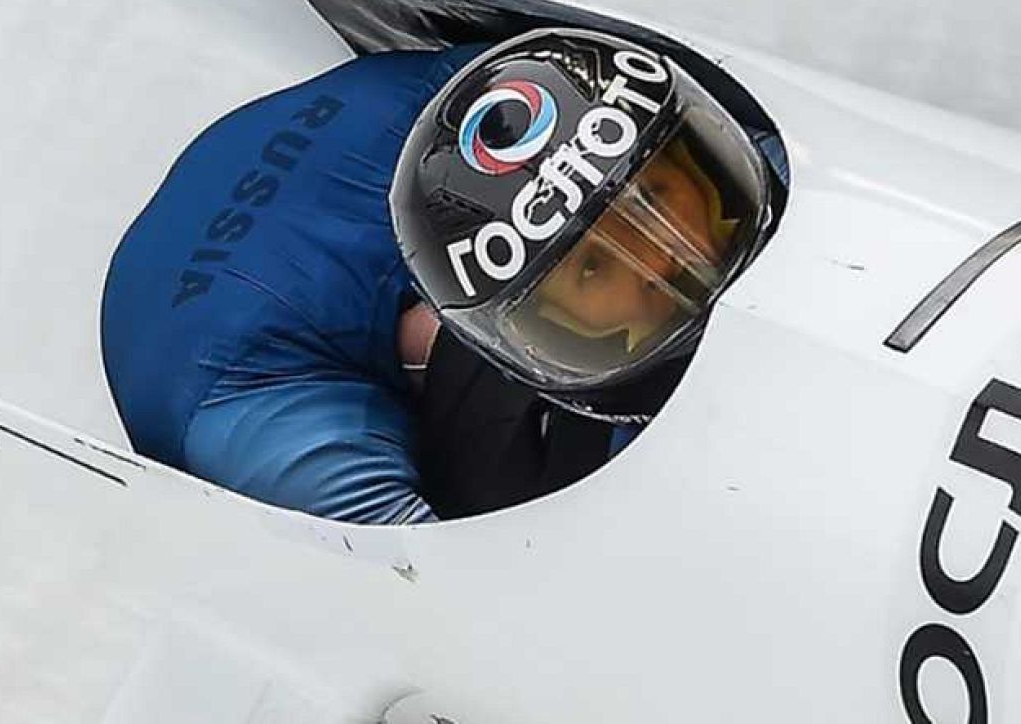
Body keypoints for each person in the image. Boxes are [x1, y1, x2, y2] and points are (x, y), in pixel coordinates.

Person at [101, 28, 786, 524]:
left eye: (663, 196)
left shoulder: (519, 84)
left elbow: (751, 137)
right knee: (507, 499)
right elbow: (426, 586)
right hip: (218, 371)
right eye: (596, 268)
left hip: (365, 136)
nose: (668, 264)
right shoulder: (259, 411)